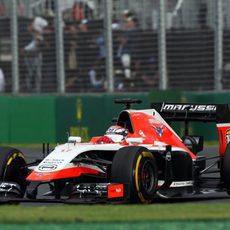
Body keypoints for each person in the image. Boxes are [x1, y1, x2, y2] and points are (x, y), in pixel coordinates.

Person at [22, 17, 48, 93]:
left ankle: (37, 91)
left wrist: (26, 49)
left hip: (36, 55)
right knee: (29, 74)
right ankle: (28, 90)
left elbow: (37, 43)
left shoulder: (38, 33)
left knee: (37, 75)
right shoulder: (27, 34)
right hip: (29, 56)